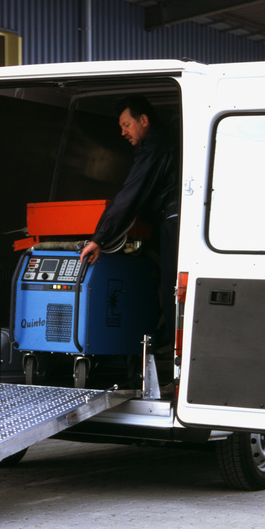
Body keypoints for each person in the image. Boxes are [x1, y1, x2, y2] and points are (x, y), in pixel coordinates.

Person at [79, 95, 179, 353]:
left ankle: (175, 360)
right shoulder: (166, 141)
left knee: (173, 290)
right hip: (171, 220)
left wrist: (99, 238)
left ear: (144, 120)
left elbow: (130, 195)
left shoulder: (154, 147)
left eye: (126, 124)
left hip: (174, 221)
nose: (122, 132)